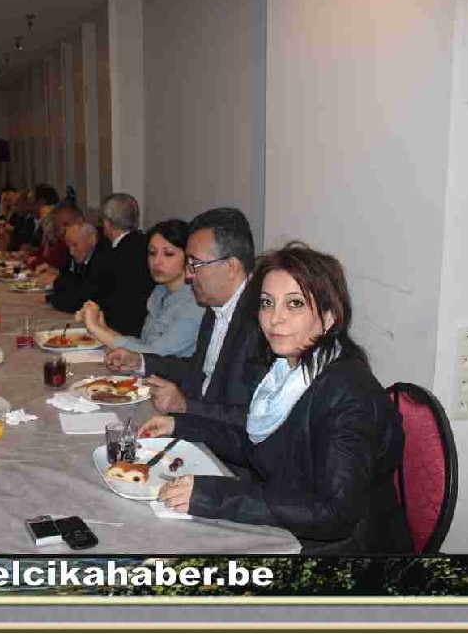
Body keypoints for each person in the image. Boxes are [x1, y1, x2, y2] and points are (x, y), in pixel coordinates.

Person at [143, 242, 411, 554]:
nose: (274, 318)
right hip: (291, 522)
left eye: (294, 304)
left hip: (342, 551)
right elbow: (257, 442)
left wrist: (214, 495)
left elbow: (335, 514)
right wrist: (181, 425)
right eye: (267, 303)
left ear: (329, 317)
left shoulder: (348, 395)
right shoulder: (287, 371)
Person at [105, 207, 264, 425]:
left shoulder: (261, 323)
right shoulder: (215, 307)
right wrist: (140, 361)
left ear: (231, 267)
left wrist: (185, 406)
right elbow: (198, 371)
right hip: (199, 426)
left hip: (221, 442)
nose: (188, 275)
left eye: (195, 265)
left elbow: (255, 419)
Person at [77, 219, 202, 357]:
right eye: (152, 253)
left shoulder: (196, 302)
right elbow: (144, 344)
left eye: (168, 254)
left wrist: (96, 329)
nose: (157, 262)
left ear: (188, 258)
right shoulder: (160, 291)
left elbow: (155, 354)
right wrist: (104, 328)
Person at [94, 193, 155, 337]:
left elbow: (102, 298)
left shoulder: (113, 255)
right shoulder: (146, 245)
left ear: (107, 223)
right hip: (145, 328)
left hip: (121, 332)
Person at [46, 222, 110, 314]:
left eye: (75, 245)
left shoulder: (104, 259)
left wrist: (52, 299)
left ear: (92, 240)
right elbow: (61, 283)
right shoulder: (80, 254)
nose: (71, 252)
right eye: (69, 246)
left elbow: (81, 301)